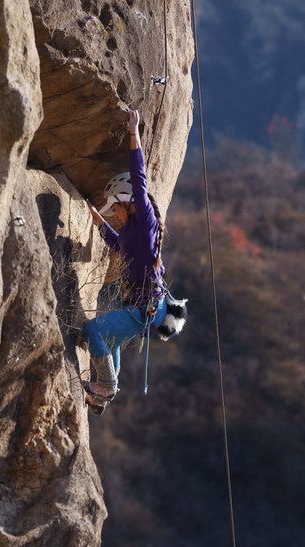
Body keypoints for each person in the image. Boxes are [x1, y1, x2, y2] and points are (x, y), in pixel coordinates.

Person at [83, 109, 168, 415]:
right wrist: (96, 220)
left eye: (114, 210)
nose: (113, 216)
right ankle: (105, 392)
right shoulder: (130, 232)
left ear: (127, 201)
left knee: (93, 331)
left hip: (143, 308)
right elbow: (116, 244)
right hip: (141, 307)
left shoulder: (144, 222)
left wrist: (133, 133)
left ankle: (106, 388)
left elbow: (139, 176)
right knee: (113, 342)